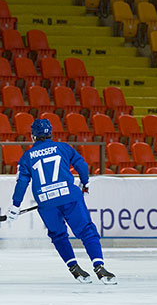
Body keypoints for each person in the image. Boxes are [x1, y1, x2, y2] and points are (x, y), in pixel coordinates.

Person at [7, 118, 116, 284]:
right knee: (87, 231)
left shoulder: (27, 157)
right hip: (70, 197)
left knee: (58, 235)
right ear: (51, 133)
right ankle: (99, 267)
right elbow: (82, 165)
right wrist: (85, 183)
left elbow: (22, 182)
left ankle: (74, 268)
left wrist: (15, 205)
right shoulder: (63, 147)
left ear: (33, 136)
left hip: (46, 202)